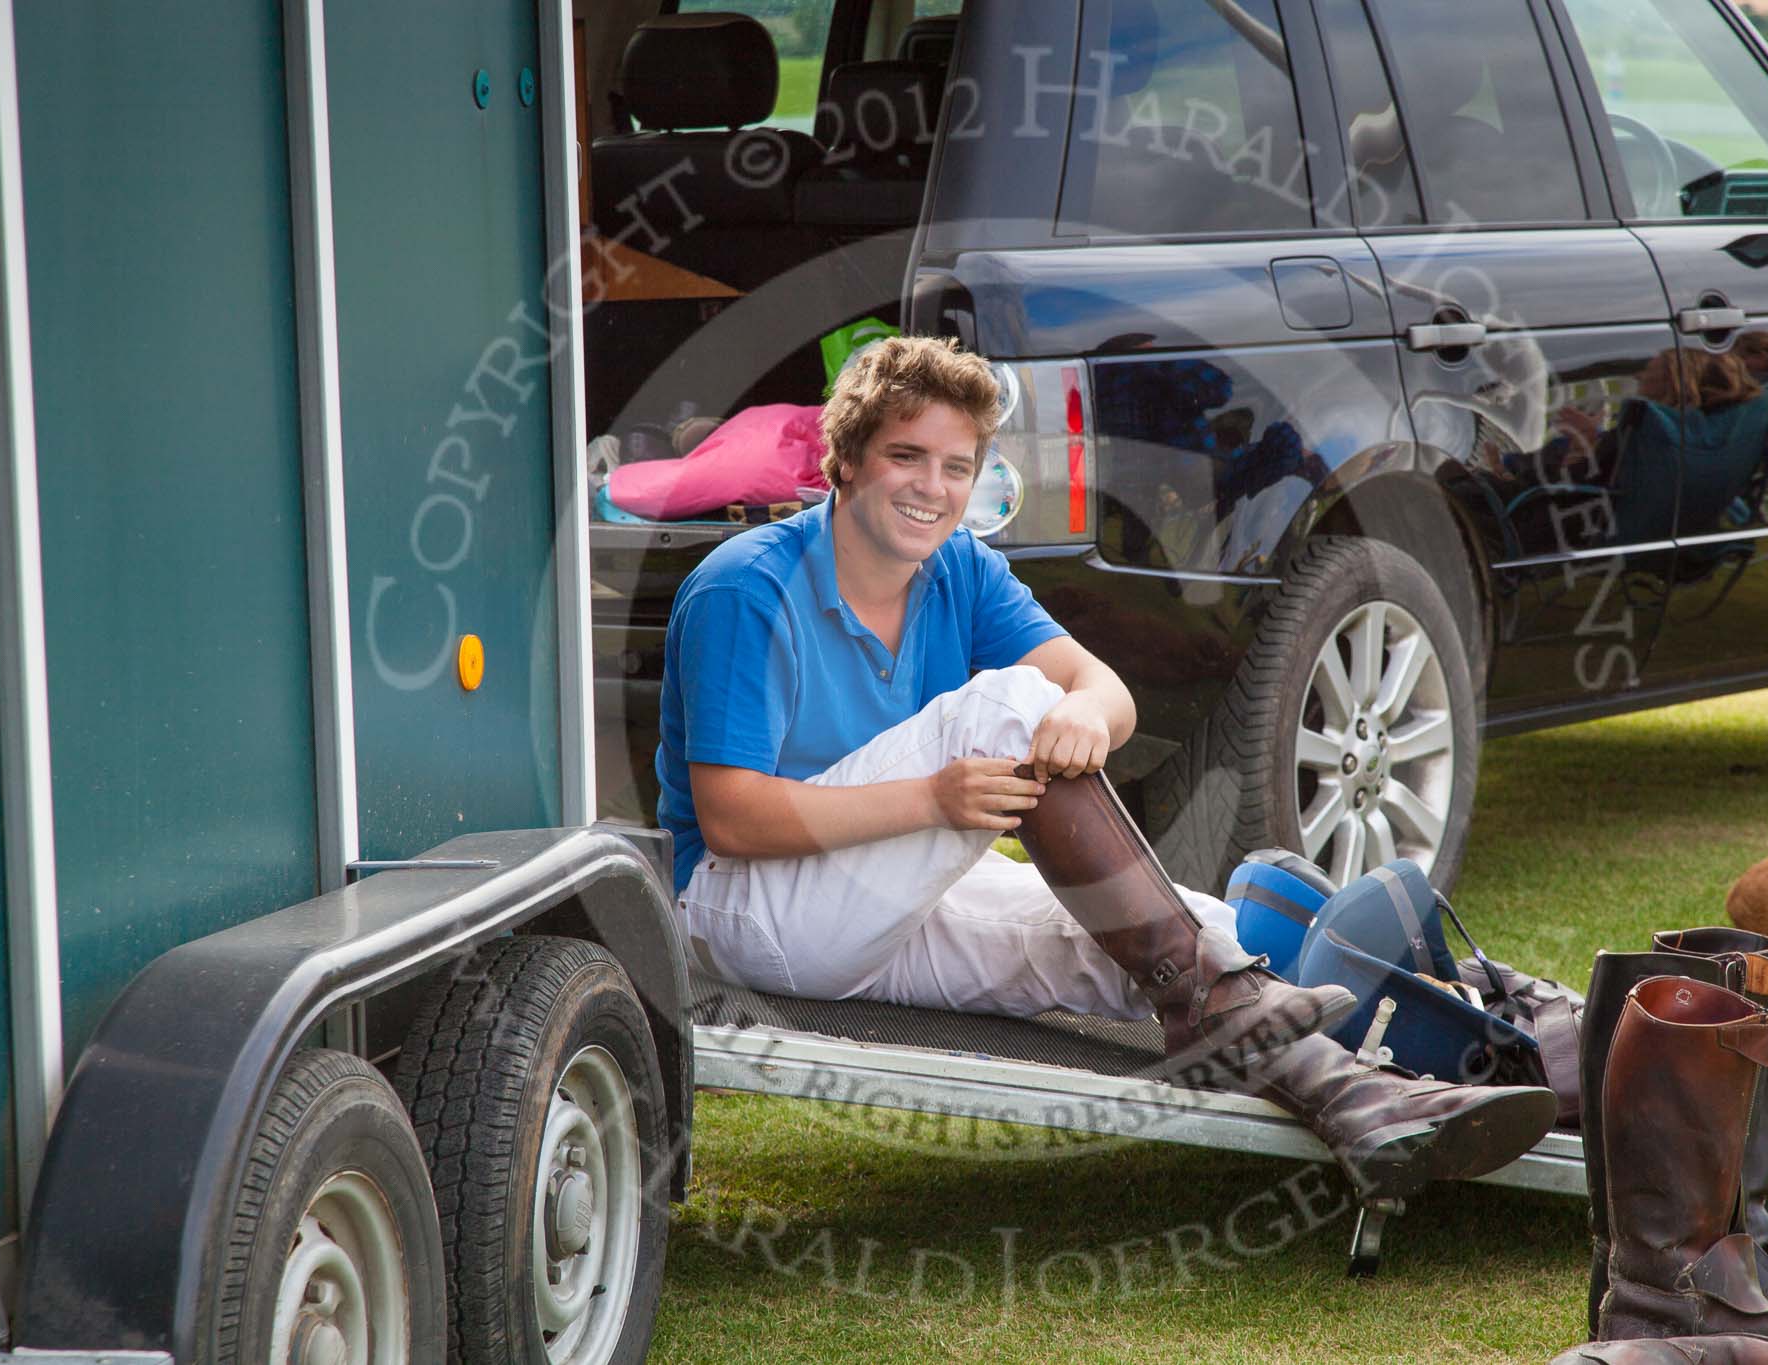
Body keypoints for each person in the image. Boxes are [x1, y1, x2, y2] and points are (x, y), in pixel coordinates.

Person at [657, 336, 1554, 1197]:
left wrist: (1085, 713)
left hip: (870, 896)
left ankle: (1376, 1100)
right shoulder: (748, 589)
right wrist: (937, 797)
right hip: (747, 906)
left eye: (957, 467)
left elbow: (1101, 688)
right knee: (1009, 705)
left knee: (1196, 937)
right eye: (905, 456)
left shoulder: (958, 567)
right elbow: (732, 817)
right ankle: (1268, 1029)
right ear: (846, 462)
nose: (933, 487)